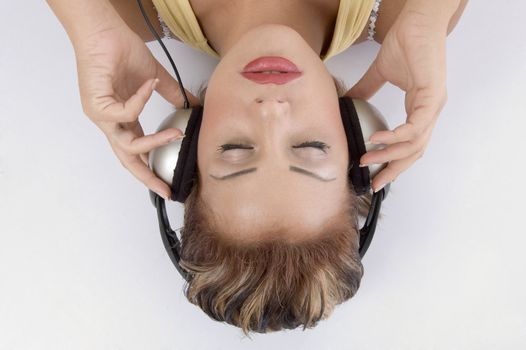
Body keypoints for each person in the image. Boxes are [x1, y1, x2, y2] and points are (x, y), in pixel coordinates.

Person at [46, 0, 469, 334]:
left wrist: (89, 22)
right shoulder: (415, 14)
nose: (272, 112)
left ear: (184, 144)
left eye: (233, 150)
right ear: (356, 131)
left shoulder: (115, 10)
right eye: (309, 146)